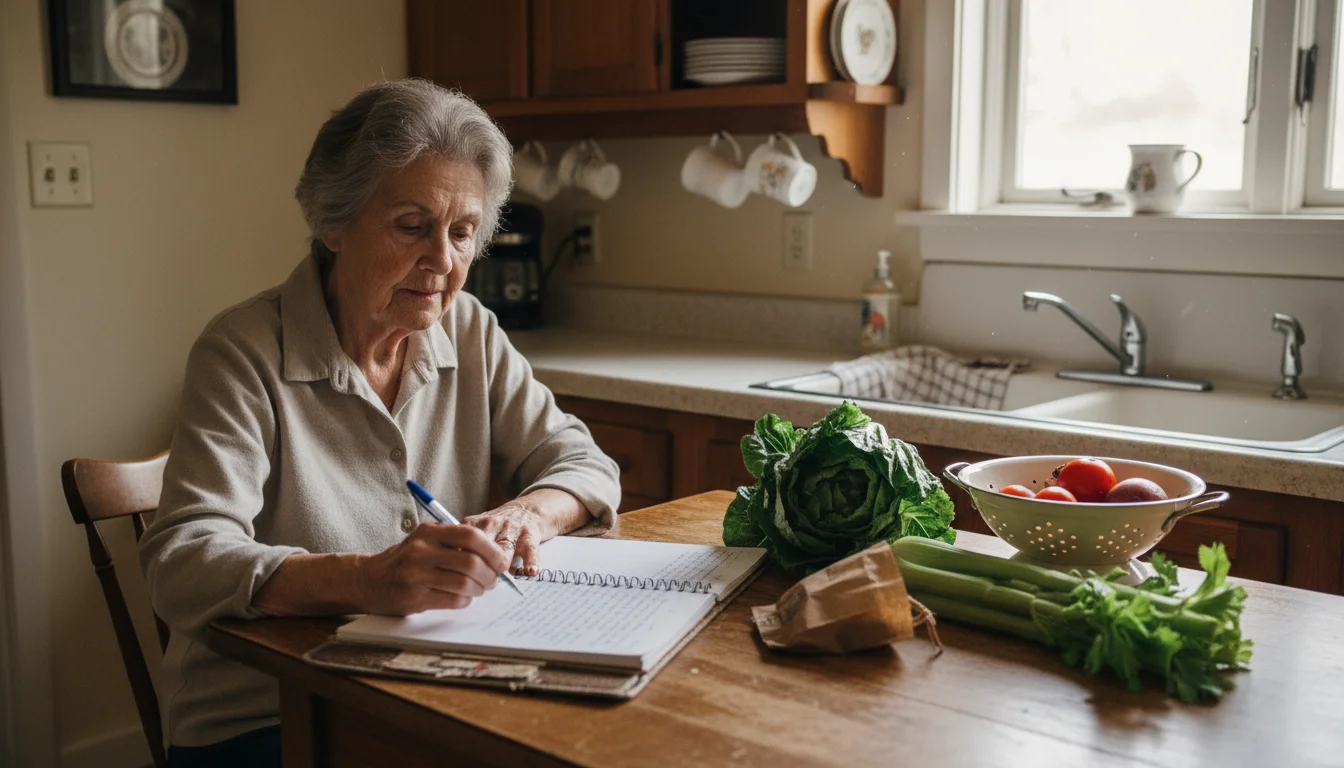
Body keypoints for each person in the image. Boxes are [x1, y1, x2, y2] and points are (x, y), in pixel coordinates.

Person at [138, 79, 621, 766]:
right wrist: (366, 579)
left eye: (461, 233)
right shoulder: (242, 351)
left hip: (426, 690)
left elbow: (584, 461)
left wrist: (528, 516)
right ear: (333, 222)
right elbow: (182, 559)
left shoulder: (471, 331)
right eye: (411, 225)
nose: (444, 263)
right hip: (263, 712)